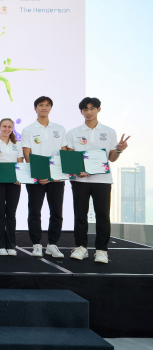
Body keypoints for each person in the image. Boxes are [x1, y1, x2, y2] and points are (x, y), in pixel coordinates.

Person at [67, 97, 129, 264]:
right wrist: (75, 171)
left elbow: (112, 158)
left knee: (103, 216)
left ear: (98, 109)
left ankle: (102, 250)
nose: (88, 112)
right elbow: (70, 157)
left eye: (92, 108)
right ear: (81, 112)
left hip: (102, 180)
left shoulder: (109, 131)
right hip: (79, 181)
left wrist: (119, 150)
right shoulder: (73, 132)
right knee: (80, 215)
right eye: (85, 109)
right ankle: (81, 248)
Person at [21, 96, 67, 258]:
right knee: (34, 211)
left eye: (47, 105)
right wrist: (38, 175)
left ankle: (52, 244)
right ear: (35, 108)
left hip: (56, 178)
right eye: (41, 105)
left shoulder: (59, 128)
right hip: (36, 178)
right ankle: (36, 244)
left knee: (56, 212)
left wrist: (58, 173)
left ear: (50, 108)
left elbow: (63, 151)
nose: (44, 108)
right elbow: (27, 154)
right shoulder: (28, 129)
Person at [0, 119, 24, 256]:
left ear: (12, 128)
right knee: (0, 213)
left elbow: (20, 162)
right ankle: (0, 245)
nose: (7, 129)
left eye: (9, 127)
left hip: (14, 183)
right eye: (4, 126)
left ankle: (11, 245)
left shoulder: (18, 144)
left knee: (11, 214)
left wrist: (20, 177)